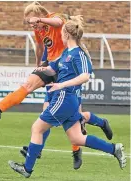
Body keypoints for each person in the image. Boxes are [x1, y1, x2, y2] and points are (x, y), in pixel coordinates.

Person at [0, 1, 112, 169]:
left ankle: (89, 136)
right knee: (45, 111)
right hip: (54, 68)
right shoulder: (40, 30)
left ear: (39, 16)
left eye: (32, 20)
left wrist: (41, 20)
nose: (32, 25)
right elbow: (42, 47)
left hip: (67, 70)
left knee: (78, 118)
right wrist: (38, 65)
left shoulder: (53, 19)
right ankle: (2, 112)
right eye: (29, 22)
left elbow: (58, 23)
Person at [7, 15, 126, 178]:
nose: (60, 36)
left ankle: (27, 169)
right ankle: (114, 149)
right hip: (65, 99)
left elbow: (85, 76)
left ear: (67, 35)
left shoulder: (78, 54)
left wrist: (61, 85)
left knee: (37, 128)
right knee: (77, 139)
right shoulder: (65, 53)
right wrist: (40, 72)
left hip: (65, 98)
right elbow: (53, 69)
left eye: (62, 33)